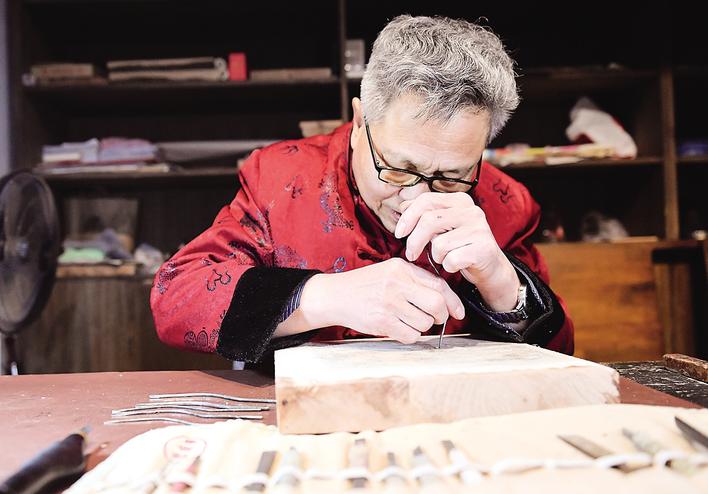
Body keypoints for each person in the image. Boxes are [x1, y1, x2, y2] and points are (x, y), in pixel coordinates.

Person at [150, 15, 574, 369]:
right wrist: (320, 297)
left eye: (451, 176)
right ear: (358, 123)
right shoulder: (282, 178)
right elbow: (176, 297)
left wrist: (502, 285)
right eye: (399, 168)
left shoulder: (504, 201)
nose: (415, 199)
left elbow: (560, 355)